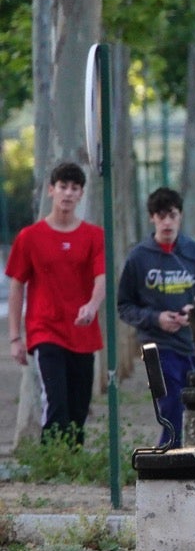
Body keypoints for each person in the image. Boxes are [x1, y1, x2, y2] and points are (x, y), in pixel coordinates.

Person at [6, 162, 105, 447]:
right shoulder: (30, 237)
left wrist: (91, 305)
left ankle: (71, 461)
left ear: (81, 194)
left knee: (78, 405)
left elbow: (102, 278)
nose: (68, 193)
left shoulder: (93, 236)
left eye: (74, 188)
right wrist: (15, 337)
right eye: (63, 187)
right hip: (45, 330)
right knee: (57, 401)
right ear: (51, 190)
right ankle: (52, 460)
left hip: (83, 333)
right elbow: (16, 286)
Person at [117, 187, 195, 448]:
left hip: (192, 344)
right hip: (156, 346)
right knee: (170, 401)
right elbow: (124, 305)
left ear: (180, 216)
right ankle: (169, 452)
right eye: (161, 216)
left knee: (193, 404)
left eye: (172, 215)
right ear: (152, 218)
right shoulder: (139, 257)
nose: (167, 222)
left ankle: (188, 453)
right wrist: (156, 318)